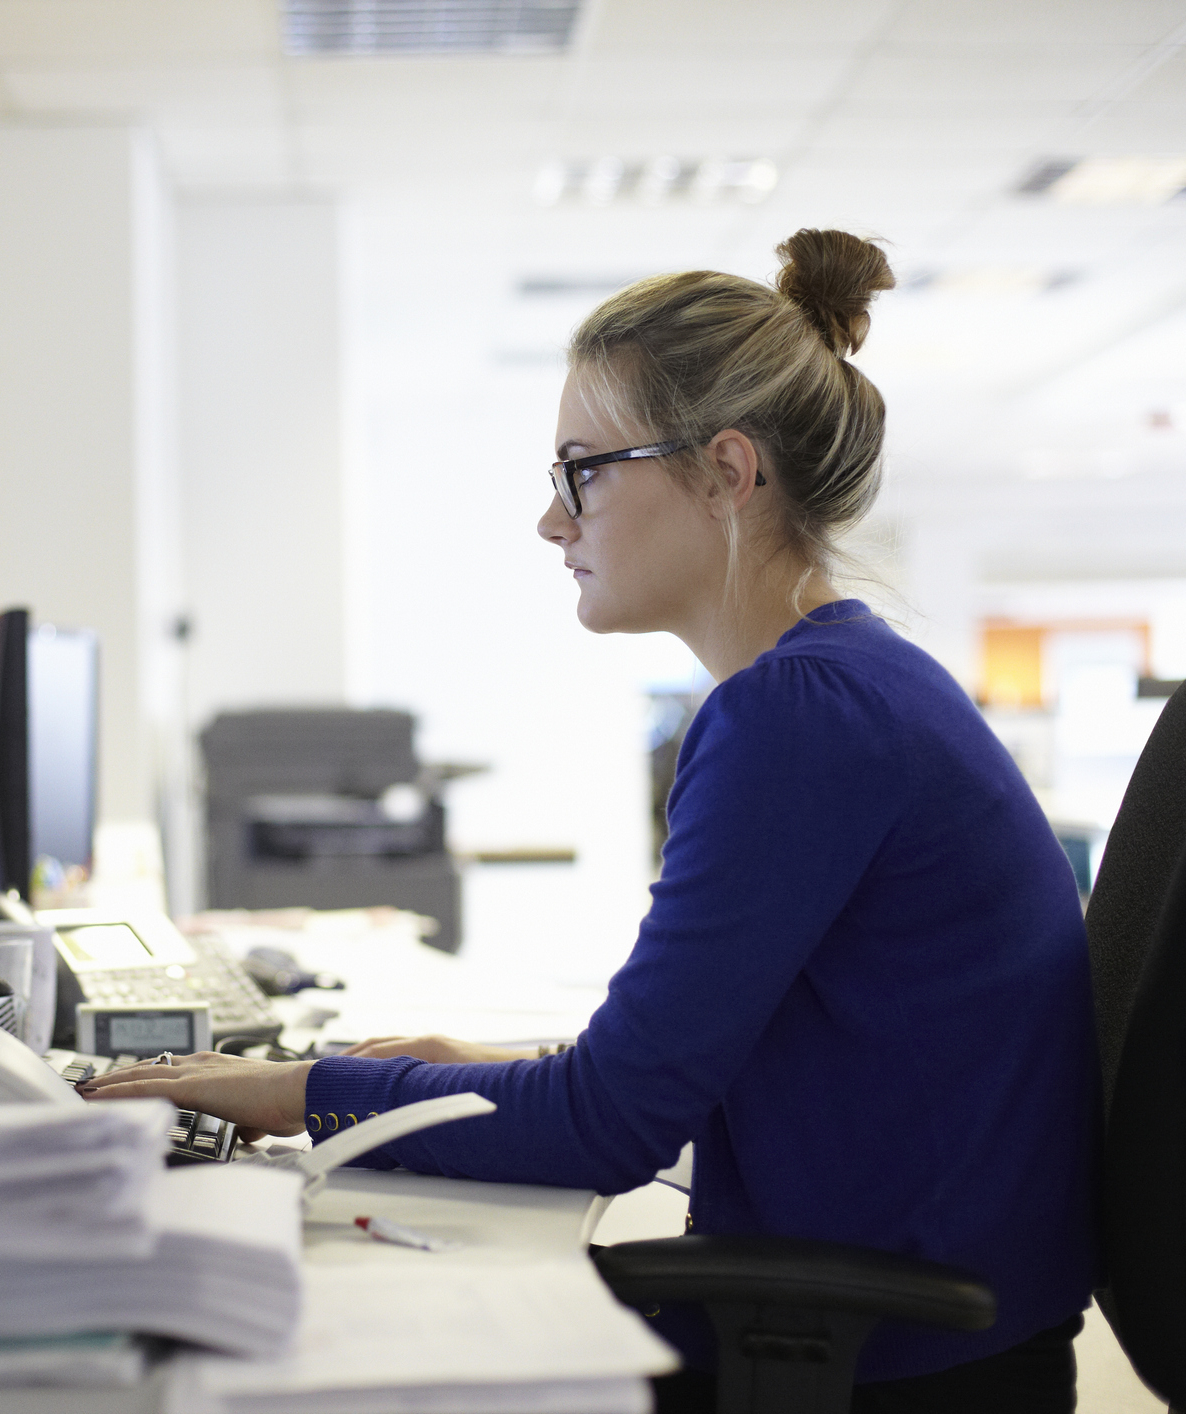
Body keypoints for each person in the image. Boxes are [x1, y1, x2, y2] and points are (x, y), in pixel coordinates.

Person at [82, 229, 1099, 1409]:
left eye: (583, 471)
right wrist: (489, 1071)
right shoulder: (848, 683)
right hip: (920, 1314)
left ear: (725, 471)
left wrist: (289, 1090)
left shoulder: (796, 718)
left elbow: (602, 1129)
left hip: (879, 1358)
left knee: (286, 1348)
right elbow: (673, 1068)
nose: (552, 521)